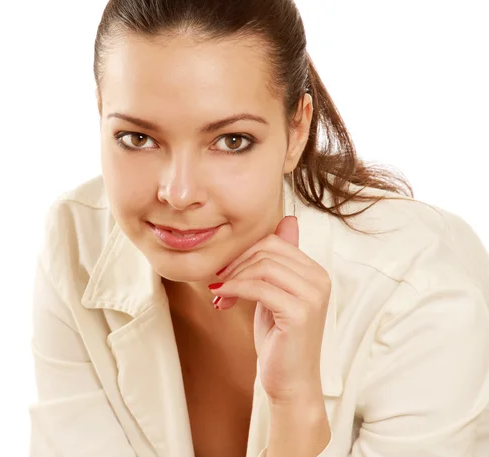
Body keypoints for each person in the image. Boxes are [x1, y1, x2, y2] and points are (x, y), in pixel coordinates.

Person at [27, 0, 489, 456]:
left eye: (231, 141)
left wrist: (297, 413)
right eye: (138, 138)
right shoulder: (75, 242)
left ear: (297, 131)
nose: (179, 192)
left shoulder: (421, 294)